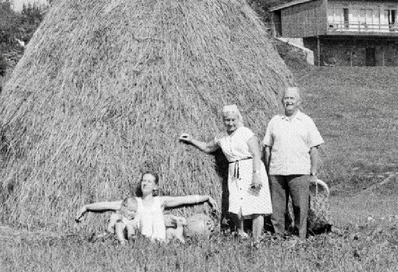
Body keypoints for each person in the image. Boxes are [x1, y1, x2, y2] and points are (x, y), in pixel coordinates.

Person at [179, 104, 273, 242]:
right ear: (223, 120)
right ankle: (241, 233)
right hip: (234, 172)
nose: (230, 123)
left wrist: (256, 174)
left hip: (250, 168)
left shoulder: (246, 132)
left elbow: (256, 153)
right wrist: (191, 140)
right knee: (235, 205)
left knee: (256, 206)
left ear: (238, 118)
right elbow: (207, 147)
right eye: (227, 120)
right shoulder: (221, 137)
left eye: (233, 120)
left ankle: (257, 240)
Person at [75, 172, 215, 244]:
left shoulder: (160, 201)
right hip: (143, 240)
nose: (145, 183)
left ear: (155, 187)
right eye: (143, 180)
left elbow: (183, 199)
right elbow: (108, 204)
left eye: (149, 181)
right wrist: (87, 207)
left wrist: (206, 197)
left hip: (160, 241)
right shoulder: (133, 202)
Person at [262, 86, 325, 240]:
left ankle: (299, 238)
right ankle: (278, 236)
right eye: (286, 98)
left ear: (298, 102)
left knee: (300, 207)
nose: (289, 101)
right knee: (277, 209)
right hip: (277, 172)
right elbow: (267, 147)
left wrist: (313, 173)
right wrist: (269, 169)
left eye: (292, 99)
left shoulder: (306, 121)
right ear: (282, 101)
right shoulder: (275, 121)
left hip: (299, 172)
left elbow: (314, 148)